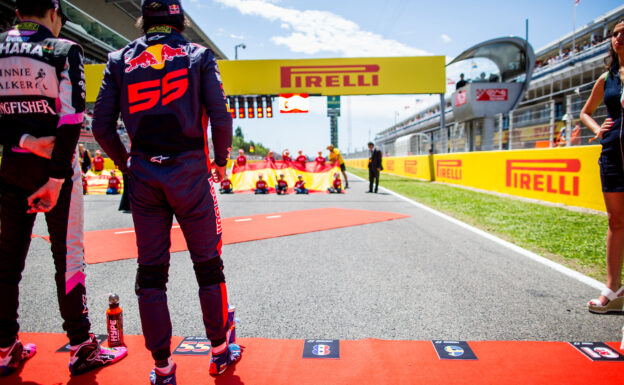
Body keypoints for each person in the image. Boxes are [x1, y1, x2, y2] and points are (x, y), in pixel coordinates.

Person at [91, 0, 241, 382]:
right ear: (179, 20)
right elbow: (221, 116)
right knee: (208, 264)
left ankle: (162, 367)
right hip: (191, 172)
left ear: (144, 22)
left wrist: (126, 162)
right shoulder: (199, 55)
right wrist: (221, 160)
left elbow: (101, 127)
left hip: (144, 173)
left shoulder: (118, 59)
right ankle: (220, 352)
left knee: (151, 274)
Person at [0, 0, 127, 376]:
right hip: (57, 171)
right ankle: (82, 346)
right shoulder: (64, 49)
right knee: (68, 259)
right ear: (54, 13)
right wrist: (55, 179)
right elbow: (72, 116)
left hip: (12, 167)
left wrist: (25, 140)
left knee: (6, 263)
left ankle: (5, 348)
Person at [580, 19, 624, 314]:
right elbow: (585, 112)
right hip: (611, 155)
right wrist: (597, 129)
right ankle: (613, 288)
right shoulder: (607, 78)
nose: (619, 37)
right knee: (616, 221)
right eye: (616, 33)